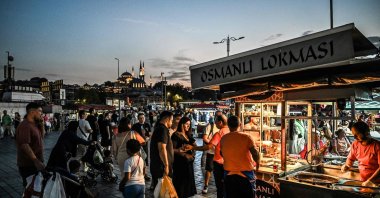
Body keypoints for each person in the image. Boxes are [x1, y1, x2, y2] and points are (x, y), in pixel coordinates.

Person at [190, 114, 229, 198]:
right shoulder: (231, 131)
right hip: (230, 163)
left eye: (215, 121)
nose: (214, 123)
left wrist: (193, 147)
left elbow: (208, 147)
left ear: (220, 122)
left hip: (219, 163)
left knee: (220, 187)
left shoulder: (219, 134)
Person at [221, 115, 260, 198]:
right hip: (245, 175)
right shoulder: (247, 137)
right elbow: (255, 154)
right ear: (240, 124)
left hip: (229, 175)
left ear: (228, 125)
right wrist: (258, 165)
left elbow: (221, 153)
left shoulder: (223, 138)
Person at [341, 122, 380, 186]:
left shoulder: (377, 146)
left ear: (366, 132)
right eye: (353, 134)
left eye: (357, 134)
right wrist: (347, 165)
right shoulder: (355, 144)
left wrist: (370, 181)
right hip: (363, 181)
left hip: (376, 183)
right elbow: (351, 158)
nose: (354, 137)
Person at [15, 102, 45, 187]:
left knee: (36, 188)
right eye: (39, 111)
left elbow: (42, 138)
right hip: (28, 165)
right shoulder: (25, 125)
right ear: (32, 112)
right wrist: (36, 161)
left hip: (35, 163)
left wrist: (41, 124)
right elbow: (24, 145)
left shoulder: (34, 124)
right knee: (30, 189)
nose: (41, 113)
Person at [171, 117, 197, 197]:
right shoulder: (175, 135)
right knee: (181, 183)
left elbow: (195, 145)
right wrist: (182, 153)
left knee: (188, 182)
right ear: (182, 124)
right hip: (180, 162)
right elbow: (172, 149)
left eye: (189, 124)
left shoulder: (188, 135)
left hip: (188, 162)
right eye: (186, 124)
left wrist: (193, 153)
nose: (188, 126)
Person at [149, 111, 174, 190]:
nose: (172, 123)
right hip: (161, 166)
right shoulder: (162, 130)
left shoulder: (159, 128)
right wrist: (166, 166)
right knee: (163, 192)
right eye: (171, 120)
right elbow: (162, 149)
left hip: (158, 165)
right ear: (167, 119)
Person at [201, 111, 221, 194]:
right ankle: (206, 185)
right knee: (209, 169)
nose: (218, 118)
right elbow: (205, 137)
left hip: (220, 153)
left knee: (219, 170)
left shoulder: (223, 127)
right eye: (217, 116)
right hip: (211, 151)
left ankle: (220, 186)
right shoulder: (210, 126)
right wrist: (212, 144)